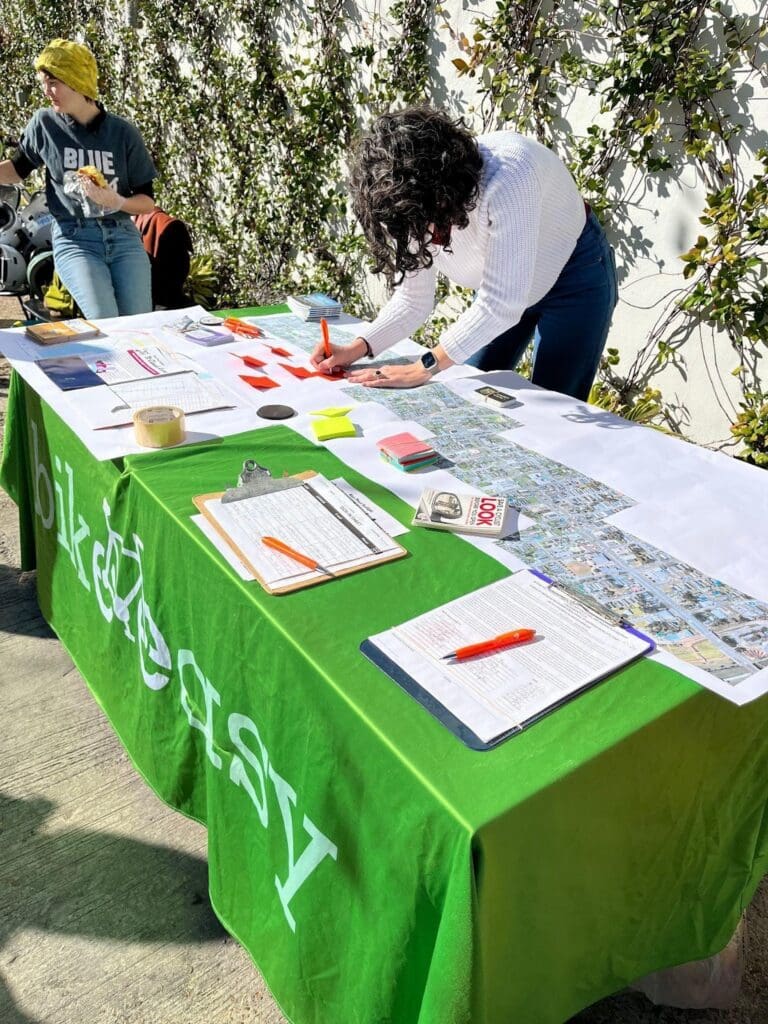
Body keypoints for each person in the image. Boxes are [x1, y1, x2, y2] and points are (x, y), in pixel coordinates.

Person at [310, 106, 618, 401]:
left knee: (555, 405)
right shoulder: (410, 202)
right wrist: (357, 347)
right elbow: (413, 300)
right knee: (466, 383)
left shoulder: (510, 176)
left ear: (443, 192)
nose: (421, 235)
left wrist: (422, 367)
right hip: (499, 289)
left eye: (423, 222)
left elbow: (501, 304)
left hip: (574, 276)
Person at [0, 39, 156, 319]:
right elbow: (17, 169)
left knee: (139, 326)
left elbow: (147, 203)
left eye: (53, 82)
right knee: (106, 320)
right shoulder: (45, 124)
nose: (47, 91)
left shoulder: (122, 134)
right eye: (43, 83)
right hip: (75, 238)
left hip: (123, 238)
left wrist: (116, 200)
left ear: (78, 81)